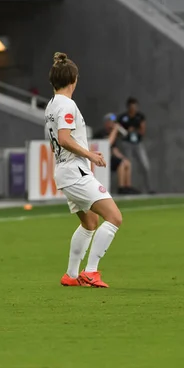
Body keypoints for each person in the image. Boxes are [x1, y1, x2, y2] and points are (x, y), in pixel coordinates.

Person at [45, 52, 123, 288]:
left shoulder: (51, 105)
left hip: (64, 169)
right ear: (73, 80)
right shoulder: (67, 105)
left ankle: (71, 274)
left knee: (90, 223)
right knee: (114, 217)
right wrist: (90, 155)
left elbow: (55, 141)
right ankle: (91, 272)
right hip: (74, 170)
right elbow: (64, 138)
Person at [93, 113, 139, 195]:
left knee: (126, 163)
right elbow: (108, 144)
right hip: (100, 159)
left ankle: (127, 186)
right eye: (111, 122)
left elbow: (114, 149)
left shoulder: (112, 133)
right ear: (106, 123)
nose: (113, 124)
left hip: (110, 157)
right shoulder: (101, 133)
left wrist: (123, 158)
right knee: (120, 164)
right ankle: (121, 188)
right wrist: (115, 130)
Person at [119, 97, 153, 193]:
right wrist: (126, 132)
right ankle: (127, 187)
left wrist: (135, 130)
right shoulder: (123, 117)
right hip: (126, 143)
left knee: (145, 165)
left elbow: (143, 130)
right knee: (128, 165)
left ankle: (148, 188)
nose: (133, 108)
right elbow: (119, 131)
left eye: (135, 106)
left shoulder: (140, 116)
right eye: (131, 106)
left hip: (138, 143)